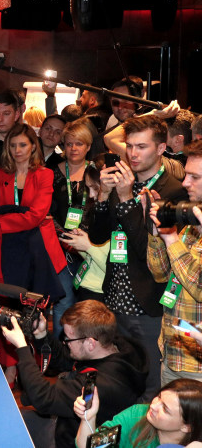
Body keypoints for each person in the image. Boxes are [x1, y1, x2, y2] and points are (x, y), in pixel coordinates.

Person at [90, 114, 186, 401]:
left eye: (141, 146)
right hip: (114, 296)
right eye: (129, 146)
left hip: (149, 302)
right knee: (119, 378)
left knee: (151, 386)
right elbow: (96, 235)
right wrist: (104, 196)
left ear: (160, 149)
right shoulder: (120, 181)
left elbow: (151, 253)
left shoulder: (174, 192)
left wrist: (128, 200)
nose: (132, 153)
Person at [1, 300, 147, 448]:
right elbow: (68, 357)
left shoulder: (100, 385)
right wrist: (42, 335)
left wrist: (22, 347)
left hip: (70, 441)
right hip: (66, 424)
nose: (64, 342)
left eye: (68, 339)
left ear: (90, 343)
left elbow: (43, 397)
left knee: (7, 427)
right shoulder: (114, 347)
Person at [0, 123, 67, 296]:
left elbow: (36, 216)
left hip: (36, 244)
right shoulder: (0, 173)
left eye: (22, 145)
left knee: (35, 302)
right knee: (8, 302)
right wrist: (19, 216)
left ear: (33, 146)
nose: (17, 150)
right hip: (7, 244)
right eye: (12, 145)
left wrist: (2, 218)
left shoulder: (45, 174)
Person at [147, 140, 202, 385]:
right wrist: (158, 232)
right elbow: (161, 274)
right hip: (172, 352)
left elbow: (200, 287)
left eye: (194, 177)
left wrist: (170, 237)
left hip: (197, 364)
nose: (185, 183)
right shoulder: (191, 221)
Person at [49, 120, 94, 338]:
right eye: (68, 144)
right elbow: (46, 213)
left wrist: (82, 240)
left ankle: (85, 354)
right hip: (60, 248)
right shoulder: (50, 173)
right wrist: (65, 239)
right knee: (64, 301)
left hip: (91, 249)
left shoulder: (98, 172)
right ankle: (61, 354)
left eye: (79, 144)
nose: (73, 149)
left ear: (88, 146)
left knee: (88, 305)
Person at [74, 379, 202, 448]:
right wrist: (88, 418)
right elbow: (90, 446)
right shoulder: (137, 414)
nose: (153, 405)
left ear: (187, 427)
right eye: (158, 397)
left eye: (165, 409)